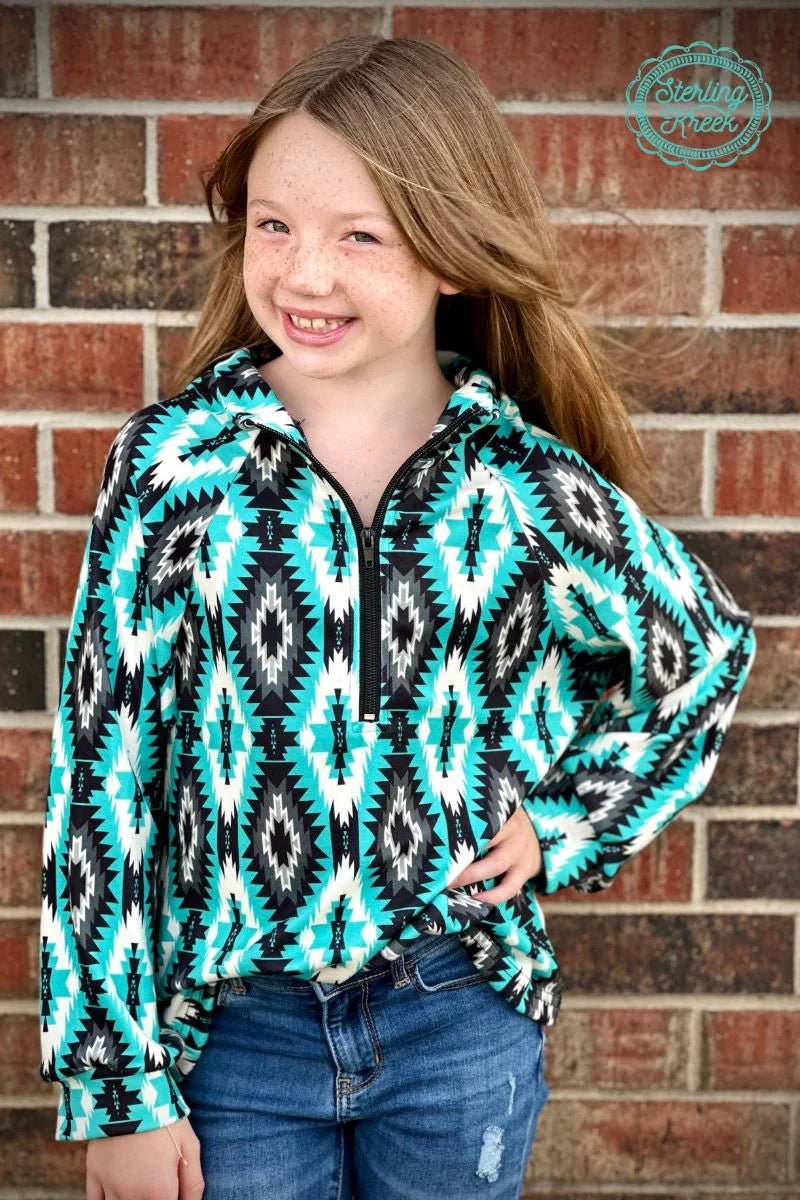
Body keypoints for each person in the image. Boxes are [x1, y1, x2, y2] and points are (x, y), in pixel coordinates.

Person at [38, 33, 757, 1200]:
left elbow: (702, 653)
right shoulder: (176, 464)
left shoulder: (518, 480)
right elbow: (103, 779)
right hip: (231, 1040)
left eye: (359, 236)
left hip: (455, 1021)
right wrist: (117, 1087)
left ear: (452, 251)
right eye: (273, 225)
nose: (303, 274)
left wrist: (566, 822)